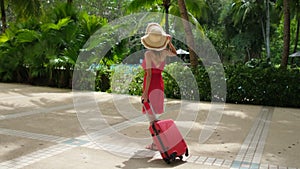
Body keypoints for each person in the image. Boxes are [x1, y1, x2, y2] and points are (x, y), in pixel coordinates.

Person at [140, 23, 177, 150]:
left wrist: (145, 93)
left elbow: (149, 74)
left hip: (150, 86)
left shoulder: (148, 54)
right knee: (155, 116)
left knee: (152, 118)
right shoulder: (164, 53)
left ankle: (157, 143)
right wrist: (168, 42)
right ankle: (158, 142)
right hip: (159, 85)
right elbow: (175, 53)